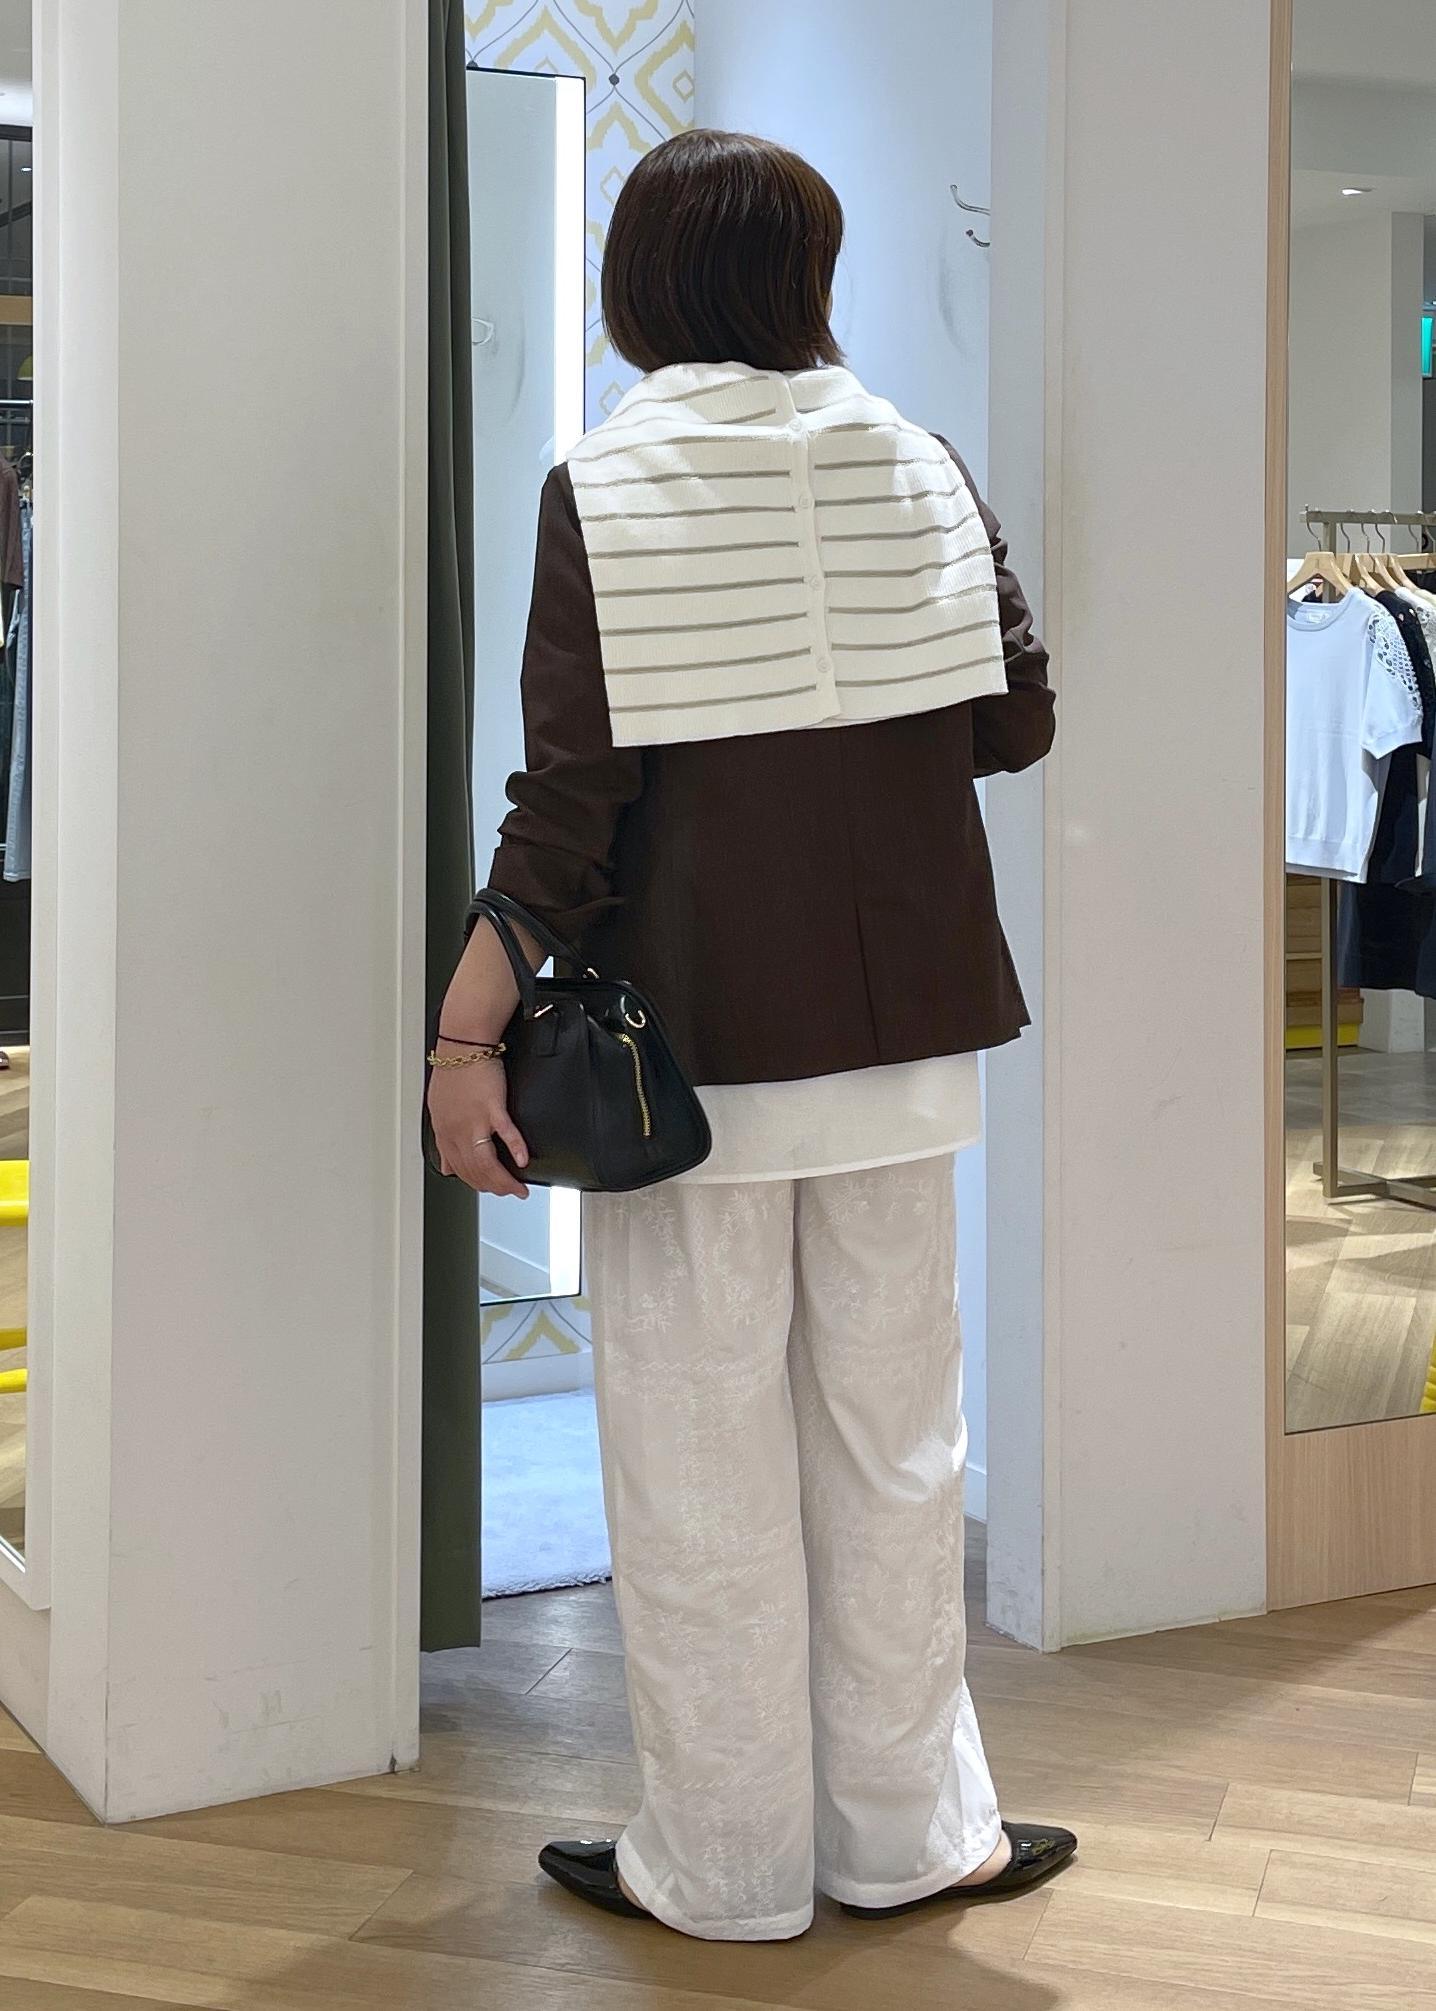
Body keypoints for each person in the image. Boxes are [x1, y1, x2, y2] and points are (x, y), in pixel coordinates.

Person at [427, 128, 1069, 1944]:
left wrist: (463, 1041)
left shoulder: (602, 486)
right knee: (897, 1447)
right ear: (811, 277)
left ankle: (722, 1870)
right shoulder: (920, 460)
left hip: (693, 1058)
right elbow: (1016, 724)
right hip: (908, 1041)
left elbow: (569, 816)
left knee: (699, 1453)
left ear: (640, 284)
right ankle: (909, 1838)